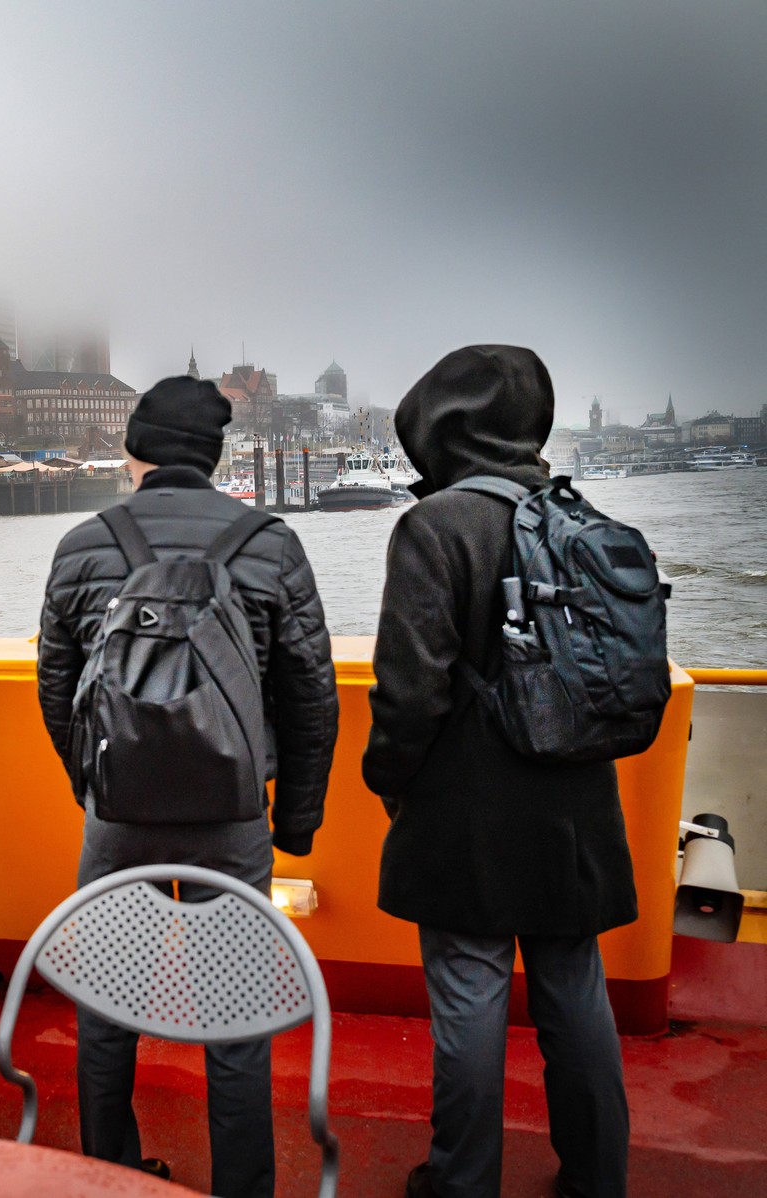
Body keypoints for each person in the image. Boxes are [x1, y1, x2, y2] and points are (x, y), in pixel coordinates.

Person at [37, 375, 339, 1196]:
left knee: (104, 1006)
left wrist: (94, 788)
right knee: (235, 1016)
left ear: (132, 451)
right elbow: (310, 695)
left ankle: (112, 1173)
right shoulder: (269, 543)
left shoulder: (84, 545)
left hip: (118, 815)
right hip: (232, 815)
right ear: (216, 457)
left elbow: (57, 691)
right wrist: (295, 823)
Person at [364, 346, 634, 1198]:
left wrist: (389, 780)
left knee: (471, 998)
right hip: (576, 802)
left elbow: (411, 694)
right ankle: (596, 1178)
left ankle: (462, 1182)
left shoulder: (436, 527)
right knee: (574, 991)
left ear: (439, 429)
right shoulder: (580, 516)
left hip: (467, 815)